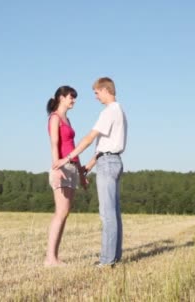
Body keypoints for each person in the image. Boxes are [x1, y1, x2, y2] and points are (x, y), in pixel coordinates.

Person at [54, 77, 127, 267]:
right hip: (113, 161)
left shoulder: (109, 111)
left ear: (105, 90)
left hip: (108, 163)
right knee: (114, 213)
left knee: (107, 214)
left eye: (96, 93)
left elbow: (89, 139)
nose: (96, 97)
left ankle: (107, 260)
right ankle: (115, 256)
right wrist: (89, 165)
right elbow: (105, 146)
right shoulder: (119, 111)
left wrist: (68, 158)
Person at [44, 85, 88, 267]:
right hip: (61, 167)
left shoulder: (67, 120)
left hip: (71, 167)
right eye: (71, 97)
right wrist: (57, 167)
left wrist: (81, 173)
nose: (74, 100)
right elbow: (54, 144)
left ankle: (54, 256)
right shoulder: (55, 118)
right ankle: (50, 258)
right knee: (60, 212)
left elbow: (72, 148)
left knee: (65, 213)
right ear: (61, 97)